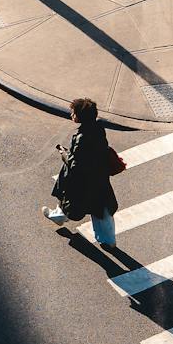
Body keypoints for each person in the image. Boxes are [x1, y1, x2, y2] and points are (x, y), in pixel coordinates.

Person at [43, 97, 119, 246]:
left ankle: (58, 216)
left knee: (70, 199)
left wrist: (64, 154)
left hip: (82, 180)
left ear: (79, 117)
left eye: (73, 113)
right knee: (101, 209)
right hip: (99, 177)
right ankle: (108, 240)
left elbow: (75, 164)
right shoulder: (98, 128)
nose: (71, 115)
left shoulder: (82, 137)